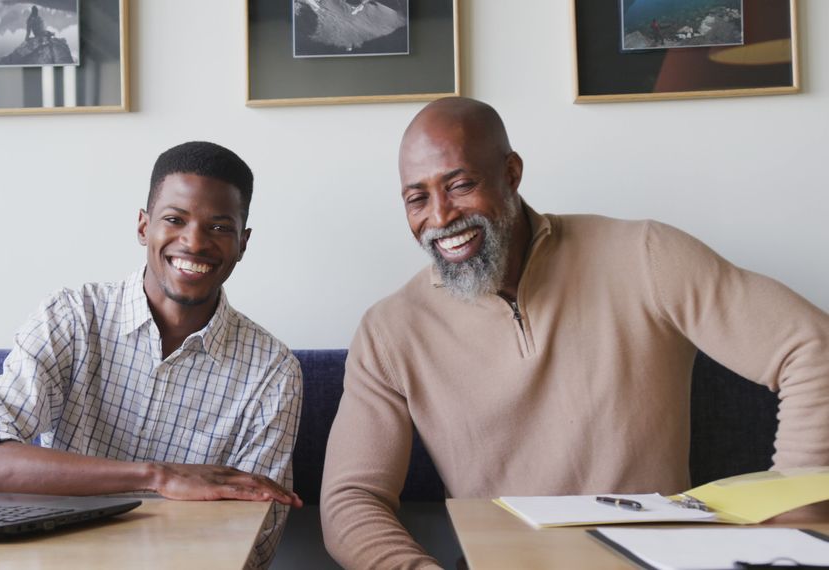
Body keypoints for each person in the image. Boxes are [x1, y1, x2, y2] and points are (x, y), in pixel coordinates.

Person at [319, 97, 829, 568]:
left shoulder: (645, 255)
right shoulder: (390, 329)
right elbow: (351, 498)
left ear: (511, 174)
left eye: (459, 185)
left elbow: (813, 347)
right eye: (417, 198)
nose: (440, 216)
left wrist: (794, 512)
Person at [0, 141, 303, 569]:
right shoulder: (72, 317)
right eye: (175, 219)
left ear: (243, 242)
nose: (194, 242)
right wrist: (158, 476)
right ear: (143, 227)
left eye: (219, 227)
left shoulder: (272, 370)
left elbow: (255, 541)